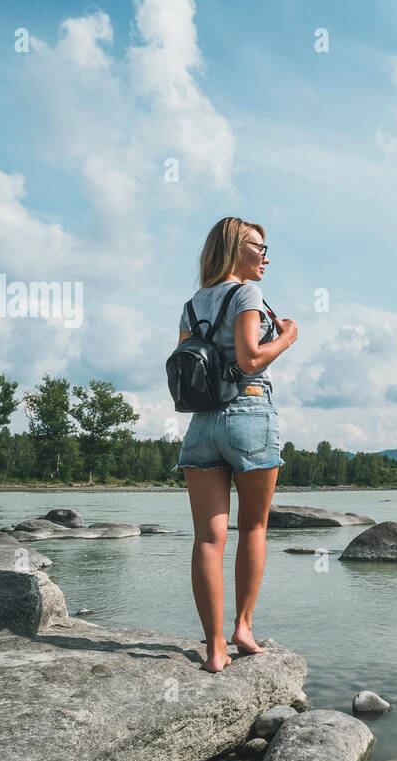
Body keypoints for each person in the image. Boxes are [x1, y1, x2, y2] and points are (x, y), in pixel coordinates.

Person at [176, 217, 298, 672]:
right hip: (249, 412)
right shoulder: (247, 294)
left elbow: (187, 367)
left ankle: (214, 649)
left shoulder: (191, 306)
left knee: (208, 539)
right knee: (253, 528)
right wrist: (286, 337)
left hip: (202, 424)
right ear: (235, 248)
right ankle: (242, 628)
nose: (266, 256)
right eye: (259, 247)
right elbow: (248, 359)